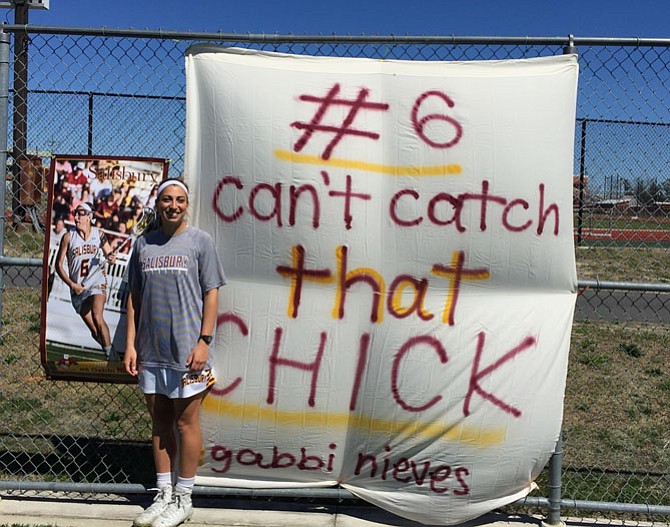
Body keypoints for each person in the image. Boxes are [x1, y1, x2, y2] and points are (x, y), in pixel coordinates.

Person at [123, 179, 226, 527]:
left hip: (187, 354)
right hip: (151, 352)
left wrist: (204, 341)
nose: (173, 205)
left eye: (180, 199)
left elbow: (211, 292)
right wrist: (130, 344)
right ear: (158, 203)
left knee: (186, 423)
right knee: (160, 421)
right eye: (167, 199)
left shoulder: (200, 242)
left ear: (186, 204)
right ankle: (163, 494)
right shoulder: (143, 245)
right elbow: (134, 299)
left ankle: (184, 498)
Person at [55, 202, 119, 361]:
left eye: (81, 213)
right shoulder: (69, 237)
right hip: (78, 288)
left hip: (97, 281)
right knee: (95, 332)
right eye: (76, 213)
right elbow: (58, 265)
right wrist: (72, 285)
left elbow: (110, 255)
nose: (76, 217)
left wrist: (111, 258)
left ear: (89, 216)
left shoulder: (99, 234)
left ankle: (110, 359)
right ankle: (113, 353)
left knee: (98, 316)